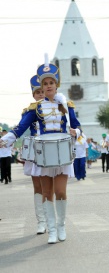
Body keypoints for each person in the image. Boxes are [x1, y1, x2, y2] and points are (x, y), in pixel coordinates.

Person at [1, 59, 82, 244]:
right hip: (43, 154)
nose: (48, 86)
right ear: (42, 86)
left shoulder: (67, 106)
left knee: (60, 192)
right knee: (47, 193)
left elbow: (78, 127)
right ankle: (51, 230)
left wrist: (74, 131)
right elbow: (20, 128)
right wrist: (4, 141)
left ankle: (61, 226)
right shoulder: (35, 108)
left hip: (62, 153)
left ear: (56, 84)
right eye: (45, 83)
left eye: (51, 83)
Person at [22, 75, 47, 234]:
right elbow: (21, 126)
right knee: (37, 186)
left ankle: (50, 218)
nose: (40, 94)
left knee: (49, 186)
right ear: (33, 94)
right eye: (37, 92)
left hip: (49, 149)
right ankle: (41, 221)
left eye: (42, 91)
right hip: (34, 150)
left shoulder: (55, 109)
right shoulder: (28, 111)